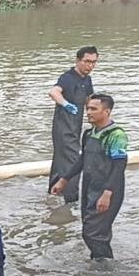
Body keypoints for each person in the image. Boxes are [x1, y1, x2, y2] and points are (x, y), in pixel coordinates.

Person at [50, 93, 128, 261]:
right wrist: (64, 180)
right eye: (87, 108)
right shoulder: (88, 133)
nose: (89, 112)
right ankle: (99, 261)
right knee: (91, 228)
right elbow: (82, 159)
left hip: (108, 190)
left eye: (94, 109)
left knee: (93, 233)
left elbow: (119, 166)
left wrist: (107, 194)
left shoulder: (116, 135)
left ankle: (104, 268)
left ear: (106, 111)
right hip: (90, 188)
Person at [48, 46, 98, 204]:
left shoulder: (87, 80)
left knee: (60, 162)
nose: (90, 65)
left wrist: (96, 121)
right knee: (74, 163)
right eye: (87, 62)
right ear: (78, 60)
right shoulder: (68, 77)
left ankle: (53, 194)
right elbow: (54, 92)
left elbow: (90, 100)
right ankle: (72, 201)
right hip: (64, 129)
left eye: (93, 62)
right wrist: (65, 104)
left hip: (75, 129)